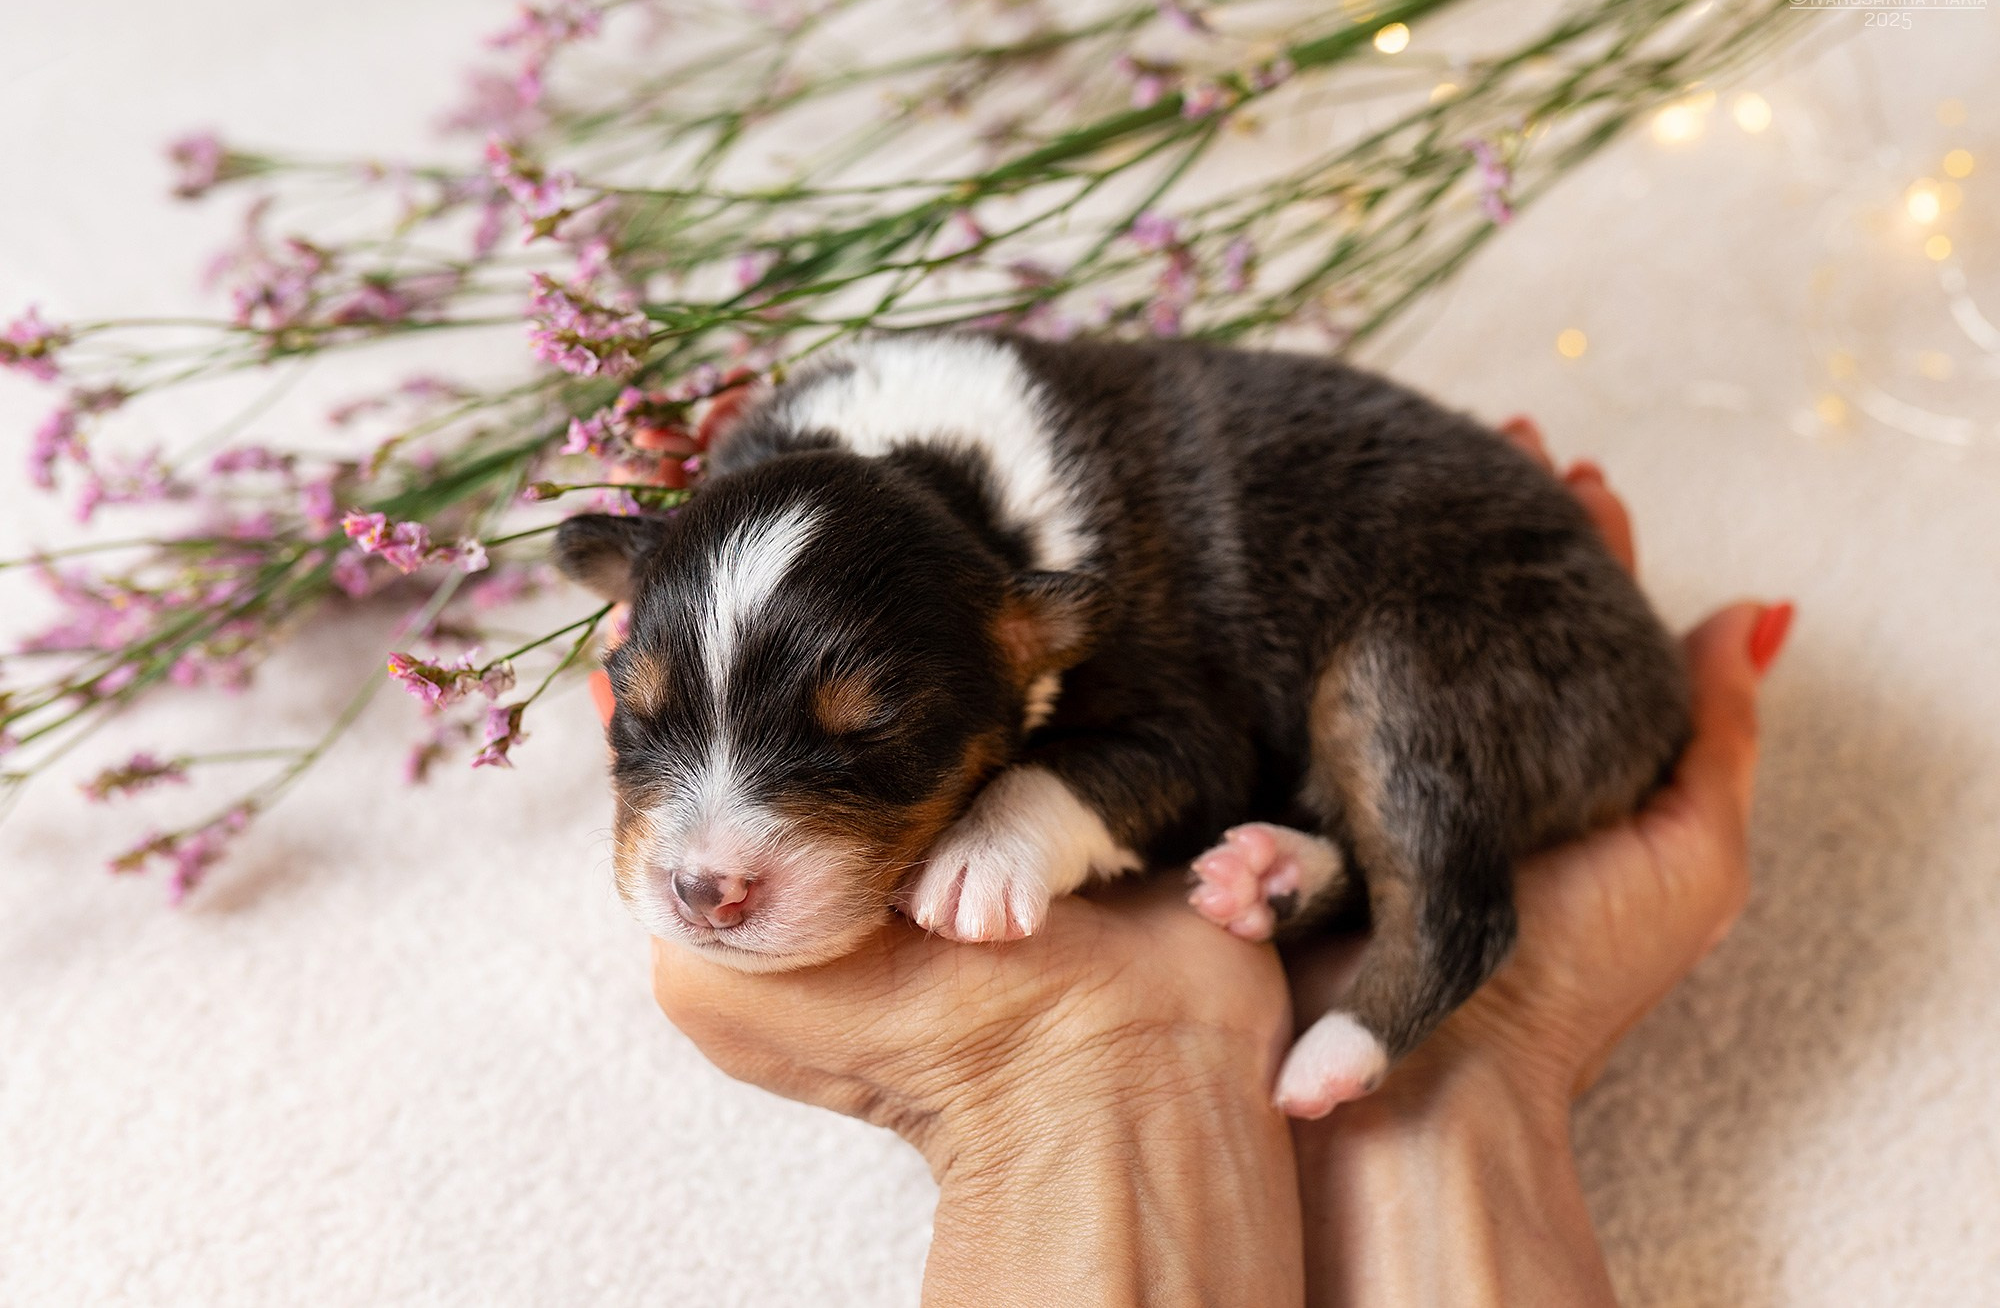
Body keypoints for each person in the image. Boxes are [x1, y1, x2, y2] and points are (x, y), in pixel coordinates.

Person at [626, 417, 1794, 1306]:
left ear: (1026, 633)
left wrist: (1033, 824)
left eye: (859, 735)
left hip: (1488, 638)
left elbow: (1184, 743)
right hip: (1323, 733)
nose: (706, 862)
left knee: (1385, 697)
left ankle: (1421, 951)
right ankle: (1339, 875)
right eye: (646, 720)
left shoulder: (1081, 573)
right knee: (1347, 740)